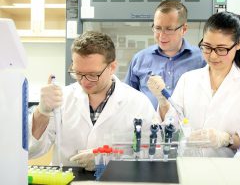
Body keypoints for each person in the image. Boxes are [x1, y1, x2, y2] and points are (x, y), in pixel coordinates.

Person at [148, 11, 240, 157]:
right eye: (207, 47)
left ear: (238, 44)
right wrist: (163, 102)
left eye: (221, 49)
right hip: (189, 169)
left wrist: (227, 140)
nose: (213, 55)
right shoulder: (188, 80)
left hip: (231, 173)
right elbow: (170, 127)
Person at [29, 31, 156, 170]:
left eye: (93, 74)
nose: (84, 81)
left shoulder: (138, 103)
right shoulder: (62, 98)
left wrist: (106, 159)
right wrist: (42, 112)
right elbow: (31, 151)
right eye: (78, 73)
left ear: (112, 67)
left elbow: (151, 156)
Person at [125, 0, 206, 109]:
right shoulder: (140, 59)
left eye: (169, 29)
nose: (162, 35)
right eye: (158, 28)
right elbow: (126, 99)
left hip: (187, 125)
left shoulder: (202, 59)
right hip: (148, 125)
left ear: (184, 29)